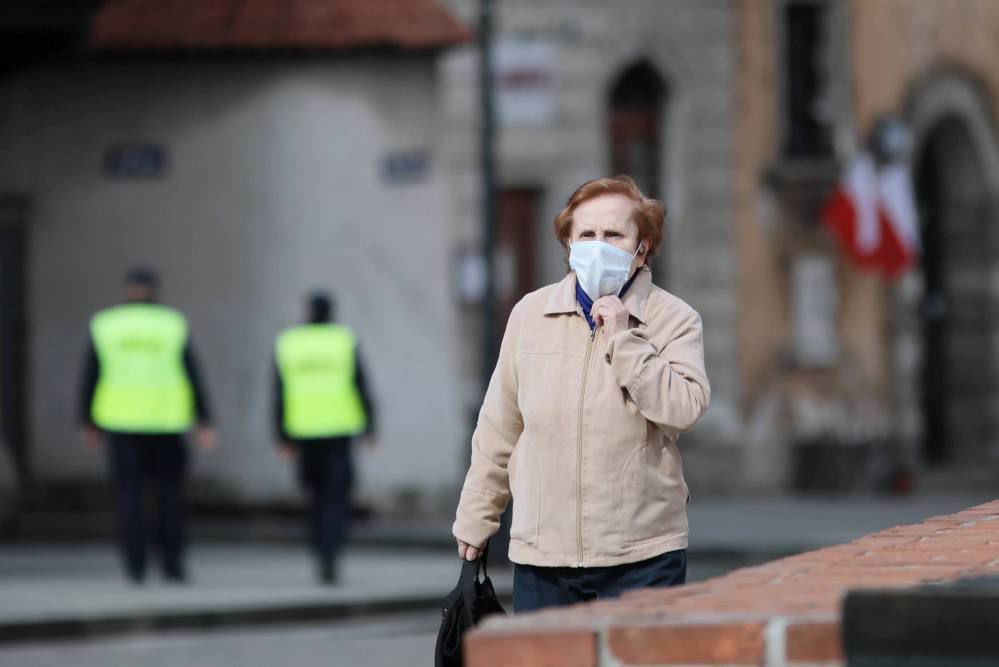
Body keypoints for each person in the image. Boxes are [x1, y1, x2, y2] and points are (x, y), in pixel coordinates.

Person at [453, 176, 711, 612]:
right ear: (569, 243)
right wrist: (476, 517)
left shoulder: (673, 319)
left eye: (614, 234)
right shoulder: (531, 314)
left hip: (641, 555)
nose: (598, 245)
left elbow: (683, 409)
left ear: (642, 246)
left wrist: (625, 340)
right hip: (544, 556)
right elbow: (499, 425)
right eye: (586, 234)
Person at [79, 268, 215, 584]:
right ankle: (172, 563)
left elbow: (91, 375)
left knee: (129, 497)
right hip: (165, 423)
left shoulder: (107, 325)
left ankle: (135, 565)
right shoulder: (171, 324)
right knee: (169, 496)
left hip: (121, 423)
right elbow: (192, 373)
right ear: (155, 290)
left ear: (128, 290)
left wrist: (87, 421)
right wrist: (204, 419)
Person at [273, 292, 376, 584]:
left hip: (303, 432)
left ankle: (320, 547)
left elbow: (278, 392)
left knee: (315, 496)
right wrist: (370, 427)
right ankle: (331, 548)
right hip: (339, 432)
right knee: (336, 495)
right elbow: (361, 384)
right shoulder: (344, 340)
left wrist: (281, 435)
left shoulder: (289, 343)